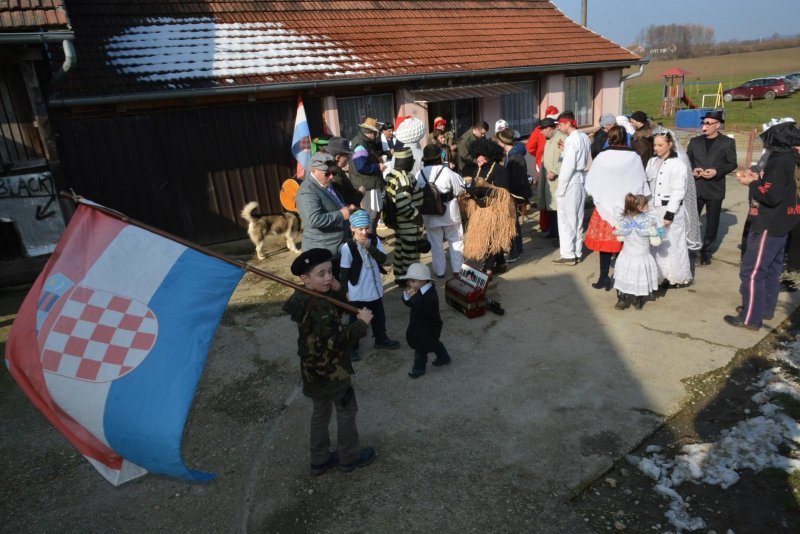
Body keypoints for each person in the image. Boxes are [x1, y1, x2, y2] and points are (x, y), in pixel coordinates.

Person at [282, 248, 376, 475]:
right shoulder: (319, 307)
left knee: (320, 413)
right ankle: (349, 457)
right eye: (321, 274)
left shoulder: (303, 296)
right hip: (332, 371)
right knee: (346, 412)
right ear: (305, 278)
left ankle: (320, 459)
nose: (327, 278)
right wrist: (361, 324)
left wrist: (336, 290)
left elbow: (330, 313)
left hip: (312, 371)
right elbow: (338, 339)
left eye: (330, 272)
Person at [725, 118, 800, 330]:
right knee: (771, 270)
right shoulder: (788, 157)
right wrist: (758, 177)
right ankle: (763, 309)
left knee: (753, 271)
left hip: (769, 223)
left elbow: (770, 195)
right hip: (782, 222)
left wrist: (752, 182)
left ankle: (750, 318)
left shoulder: (779, 161)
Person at [584, 125, 650, 290]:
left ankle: (603, 277)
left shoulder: (602, 157)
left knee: (605, 246)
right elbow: (640, 182)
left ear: (609, 137)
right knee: (626, 245)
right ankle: (622, 280)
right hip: (629, 207)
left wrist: (600, 195)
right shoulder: (634, 157)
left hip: (605, 207)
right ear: (625, 137)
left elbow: (591, 181)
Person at [339, 210, 400, 358]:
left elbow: (382, 259)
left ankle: (381, 338)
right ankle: (352, 345)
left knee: (379, 316)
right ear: (352, 228)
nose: (364, 232)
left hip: (375, 289)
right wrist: (345, 290)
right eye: (360, 229)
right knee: (356, 319)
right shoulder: (348, 248)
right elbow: (344, 271)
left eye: (366, 228)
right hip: (358, 291)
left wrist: (369, 247)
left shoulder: (374, 241)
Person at [645, 128, 697, 288]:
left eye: (660, 145)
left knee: (673, 243)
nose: (656, 148)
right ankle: (659, 276)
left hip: (670, 211)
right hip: (654, 209)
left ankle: (677, 276)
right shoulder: (652, 161)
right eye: (655, 145)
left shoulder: (677, 164)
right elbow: (647, 184)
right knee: (656, 244)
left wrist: (669, 214)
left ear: (670, 144)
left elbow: (678, 191)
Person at [687, 110, 738, 266]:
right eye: (704, 123)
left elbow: (732, 163)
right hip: (696, 187)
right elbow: (687, 161)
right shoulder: (694, 142)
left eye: (708, 123)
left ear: (718, 125)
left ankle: (706, 253)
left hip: (715, 189)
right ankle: (689, 249)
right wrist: (693, 169)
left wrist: (717, 172)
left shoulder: (727, 143)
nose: (704, 126)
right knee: (691, 221)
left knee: (712, 224)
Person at [296, 152, 358, 276]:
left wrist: (346, 208)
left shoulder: (325, 184)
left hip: (336, 249)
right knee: (330, 292)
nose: (331, 177)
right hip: (323, 253)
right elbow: (313, 220)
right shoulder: (307, 191)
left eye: (333, 173)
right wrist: (341, 215)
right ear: (314, 170)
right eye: (327, 173)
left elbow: (333, 206)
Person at [462, 138, 516, 276]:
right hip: (480, 211)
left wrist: (483, 191)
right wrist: (470, 194)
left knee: (490, 239)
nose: (477, 159)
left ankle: (488, 269)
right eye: (476, 157)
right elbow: (474, 188)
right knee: (490, 240)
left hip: (494, 211)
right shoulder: (477, 170)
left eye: (479, 156)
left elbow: (503, 194)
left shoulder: (499, 170)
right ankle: (501, 263)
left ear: (486, 156)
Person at [417, 144, 465, 278]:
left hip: (429, 215)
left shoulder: (419, 174)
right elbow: (459, 189)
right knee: (455, 240)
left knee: (435, 244)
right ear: (439, 157)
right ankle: (458, 271)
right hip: (449, 212)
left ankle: (439, 272)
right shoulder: (447, 172)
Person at [399, 263, 451, 378]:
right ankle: (444, 358)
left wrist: (413, 298)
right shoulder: (418, 290)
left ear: (424, 281)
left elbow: (422, 308)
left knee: (421, 349)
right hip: (421, 325)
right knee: (434, 343)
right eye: (409, 281)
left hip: (429, 327)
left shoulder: (431, 295)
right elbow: (412, 304)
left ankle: (418, 369)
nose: (410, 284)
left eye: (413, 281)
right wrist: (407, 297)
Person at [553, 111, 591, 266]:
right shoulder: (584, 137)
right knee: (577, 218)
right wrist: (565, 151)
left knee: (566, 220)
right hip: (580, 179)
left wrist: (560, 190)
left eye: (561, 124)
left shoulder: (572, 140)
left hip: (571, 181)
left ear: (568, 123)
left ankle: (568, 254)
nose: (559, 127)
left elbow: (568, 167)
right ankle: (576, 251)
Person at [612, 194, 662, 310]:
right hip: (642, 257)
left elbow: (620, 237)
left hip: (626, 256)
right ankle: (638, 300)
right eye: (647, 205)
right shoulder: (648, 223)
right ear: (640, 208)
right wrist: (659, 235)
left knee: (624, 276)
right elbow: (656, 242)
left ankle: (622, 298)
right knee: (640, 278)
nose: (649, 207)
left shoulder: (625, 220)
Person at [385, 146, 424, 283]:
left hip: (398, 221)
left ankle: (400, 276)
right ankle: (410, 281)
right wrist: (415, 216)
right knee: (410, 253)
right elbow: (402, 204)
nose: (413, 162)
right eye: (411, 160)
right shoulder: (405, 179)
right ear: (405, 161)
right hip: (408, 222)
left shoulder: (391, 174)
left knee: (400, 249)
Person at [495, 127, 532, 262]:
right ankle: (518, 249)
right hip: (513, 194)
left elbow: (517, 180)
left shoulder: (515, 157)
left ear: (503, 142)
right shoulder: (511, 156)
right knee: (513, 223)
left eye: (499, 141)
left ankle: (515, 251)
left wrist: (507, 191)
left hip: (514, 195)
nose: (498, 143)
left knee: (511, 224)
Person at [350, 117, 387, 229]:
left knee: (374, 214)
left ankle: (373, 236)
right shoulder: (361, 144)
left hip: (369, 184)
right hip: (367, 186)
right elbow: (361, 166)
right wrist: (377, 167)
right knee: (371, 215)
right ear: (370, 133)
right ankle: (370, 239)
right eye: (376, 133)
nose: (377, 136)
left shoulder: (364, 142)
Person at [539, 117, 565, 240]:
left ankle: (559, 235)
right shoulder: (549, 139)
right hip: (547, 176)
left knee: (556, 207)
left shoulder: (560, 138)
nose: (541, 132)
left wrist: (555, 170)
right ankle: (553, 231)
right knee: (550, 206)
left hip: (556, 178)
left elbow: (563, 157)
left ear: (549, 128)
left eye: (542, 129)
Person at [328, 136, 365, 207]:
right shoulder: (334, 175)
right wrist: (360, 193)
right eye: (347, 155)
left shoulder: (337, 171)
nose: (349, 158)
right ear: (338, 157)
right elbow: (345, 202)